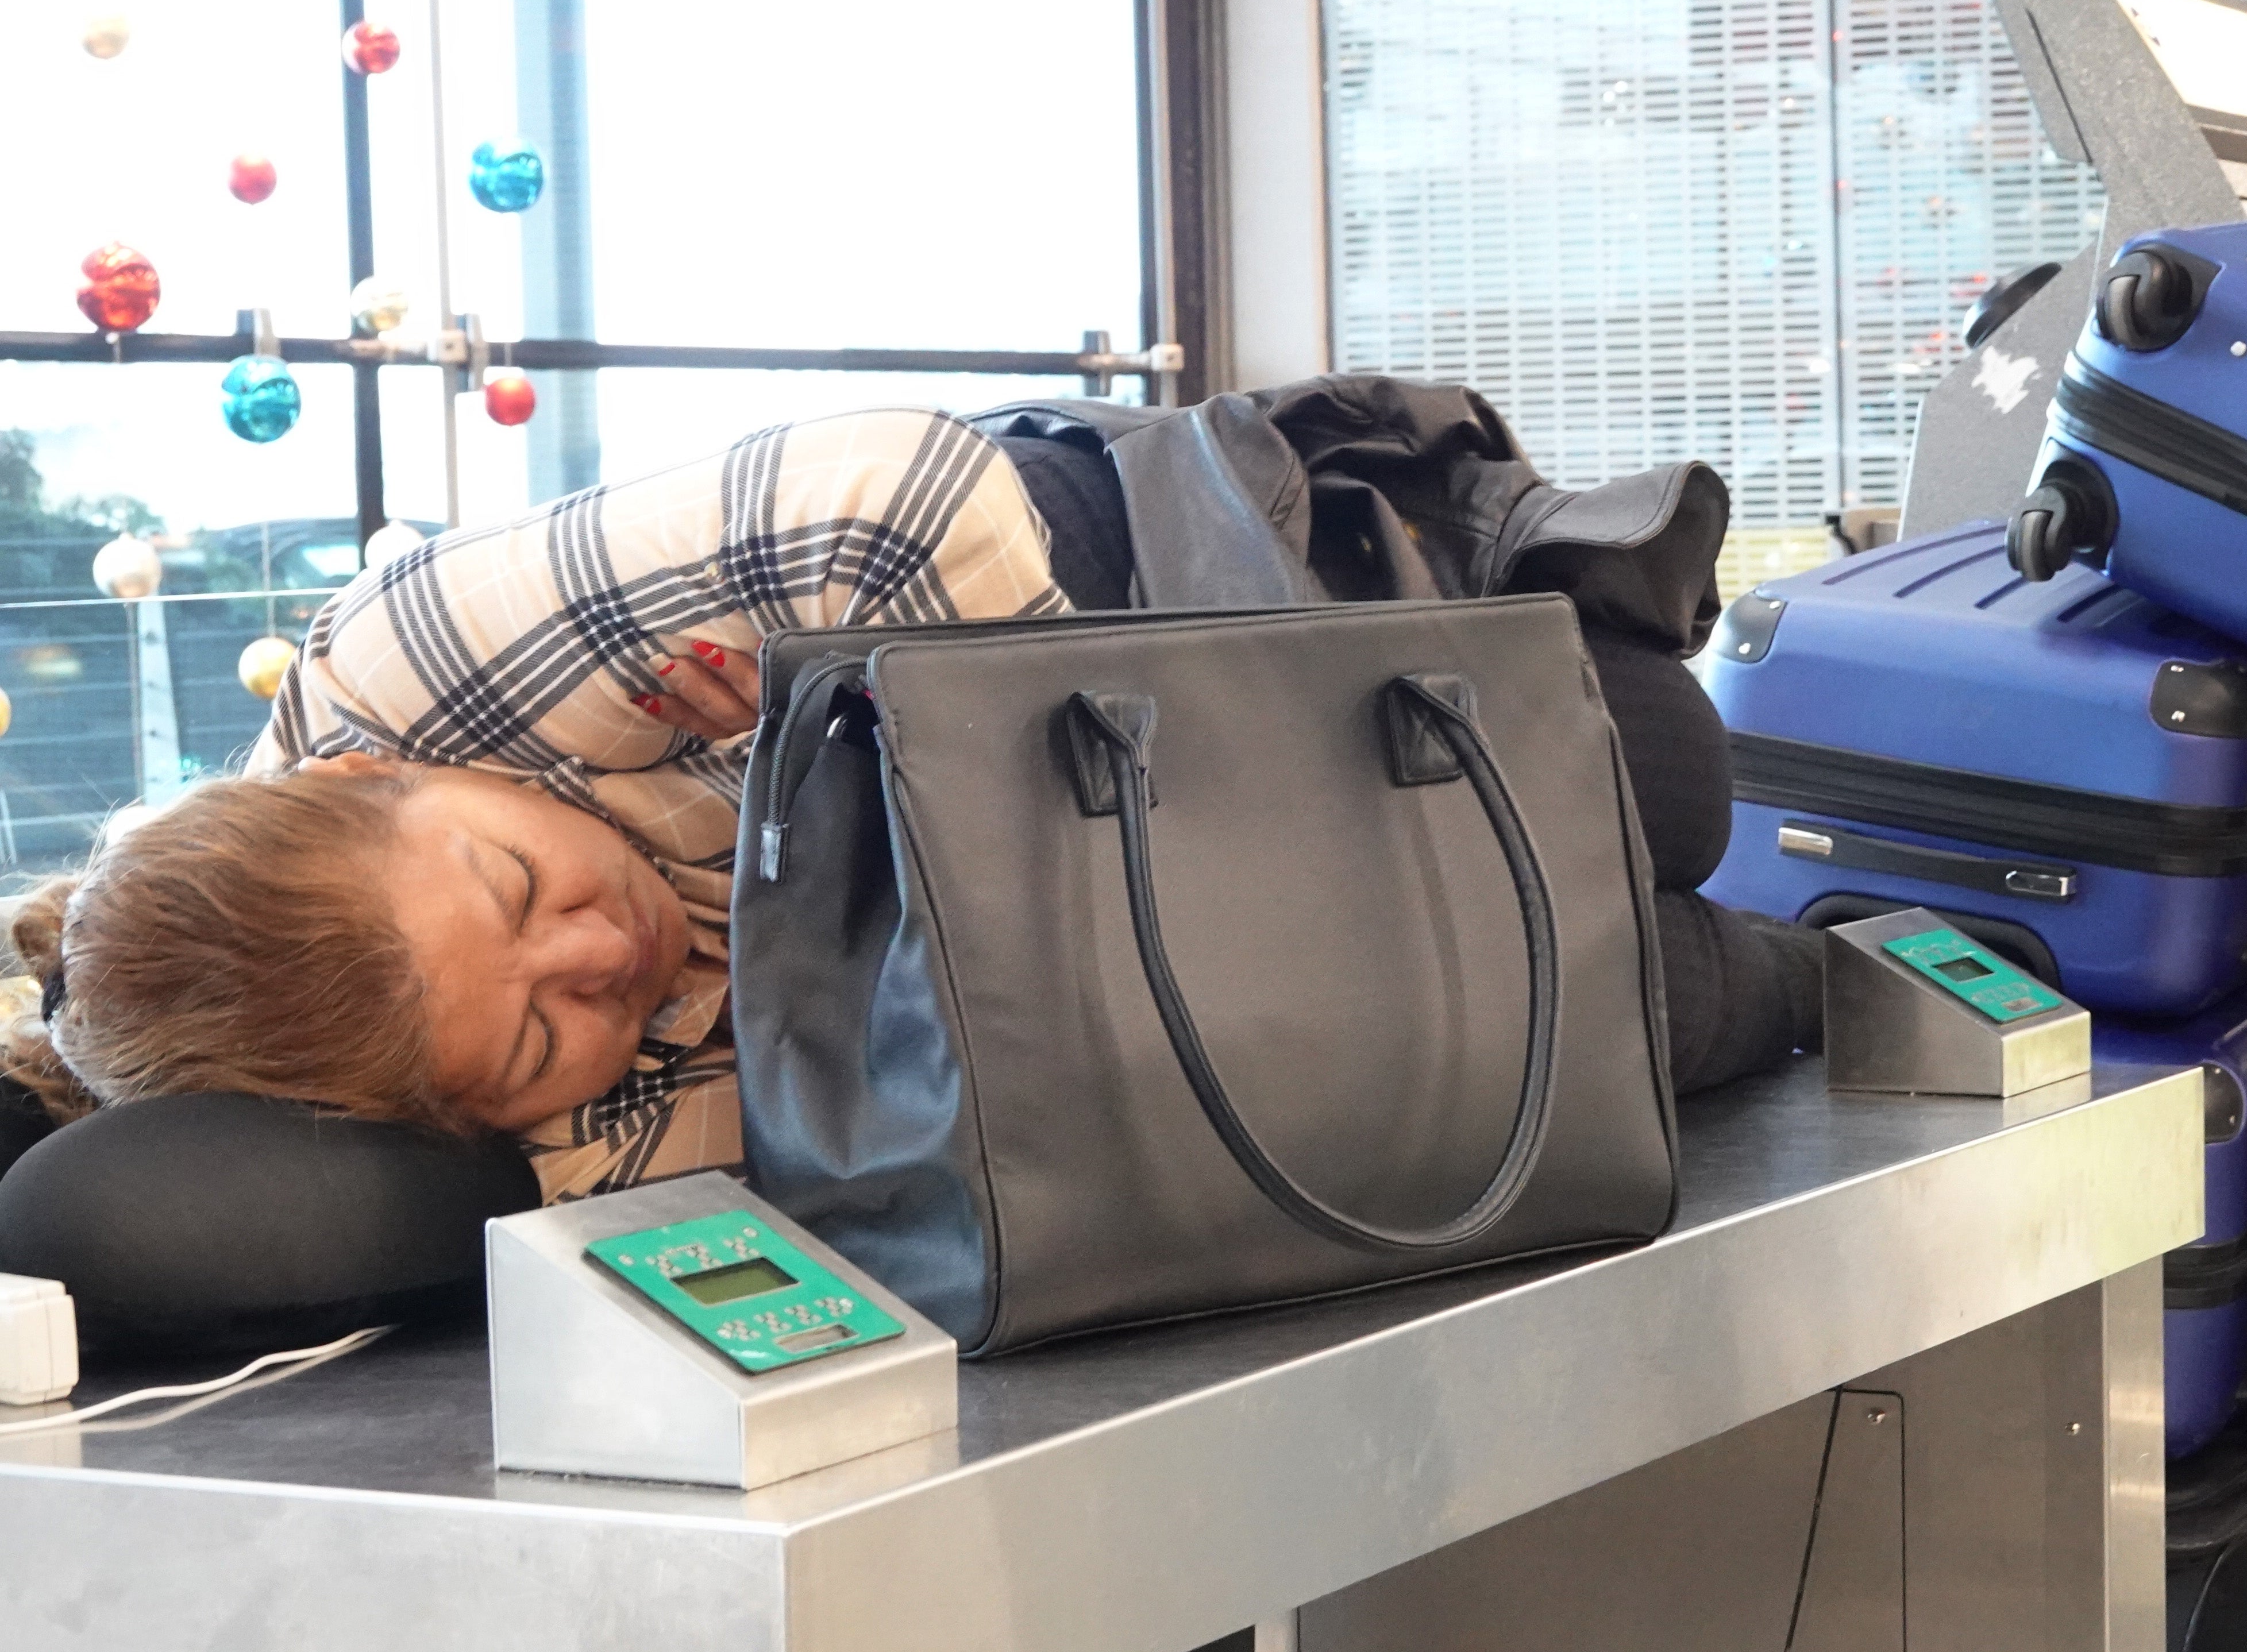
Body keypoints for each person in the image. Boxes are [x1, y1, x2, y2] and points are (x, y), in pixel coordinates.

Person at [2, 399, 1814, 1202]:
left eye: (513, 881)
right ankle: (1891, 968)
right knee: (1657, 995)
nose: (597, 956)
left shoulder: (408, 671)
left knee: (1669, 780)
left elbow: (897, 499)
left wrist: (895, 741)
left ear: (373, 779)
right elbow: (767, 1152)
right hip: (1165, 901)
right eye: (545, 1042)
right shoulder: (513, 1127)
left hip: (1148, 588)